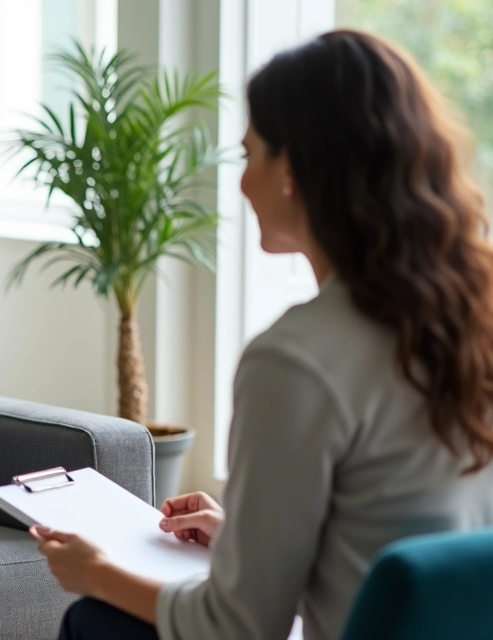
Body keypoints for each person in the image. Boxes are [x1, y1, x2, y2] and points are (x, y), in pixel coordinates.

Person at [35, 29, 493, 640]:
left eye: (251, 156)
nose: (242, 182)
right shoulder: (470, 315)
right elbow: (415, 539)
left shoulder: (297, 359)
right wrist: (247, 537)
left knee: (96, 621)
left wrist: (98, 572)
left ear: (295, 171)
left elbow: (241, 626)